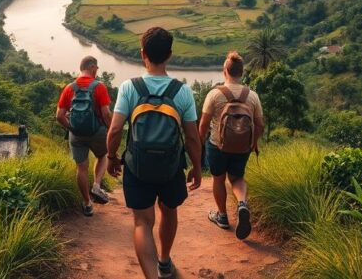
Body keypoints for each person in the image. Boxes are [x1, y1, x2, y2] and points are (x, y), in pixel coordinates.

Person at [107, 27, 202, 279]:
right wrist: (197, 167)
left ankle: (151, 275)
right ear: (169, 55)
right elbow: (192, 136)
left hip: (137, 166)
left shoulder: (130, 88)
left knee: (142, 223)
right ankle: (164, 261)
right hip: (171, 168)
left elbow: (115, 129)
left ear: (142, 54)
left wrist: (112, 157)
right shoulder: (181, 91)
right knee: (169, 210)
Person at [198, 51, 265, 240]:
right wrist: (253, 143)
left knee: (218, 179)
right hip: (242, 147)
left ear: (225, 71)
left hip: (217, 145)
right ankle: (242, 203)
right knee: (237, 178)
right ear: (241, 72)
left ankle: (222, 216)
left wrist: (200, 144)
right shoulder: (252, 96)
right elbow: (260, 124)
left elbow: (203, 124)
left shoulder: (214, 94)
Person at [56, 55, 113, 216]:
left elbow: (59, 116)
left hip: (76, 134)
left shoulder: (69, 88)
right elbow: (106, 113)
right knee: (103, 155)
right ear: (93, 67)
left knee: (81, 168)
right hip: (97, 132)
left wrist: (72, 128)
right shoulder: (99, 86)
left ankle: (87, 204)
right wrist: (111, 130)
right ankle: (96, 185)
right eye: (97, 68)